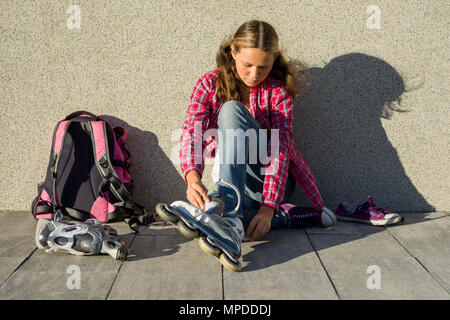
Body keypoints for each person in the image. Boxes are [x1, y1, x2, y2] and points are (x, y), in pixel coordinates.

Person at [180, 20, 336, 243]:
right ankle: (235, 217)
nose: (254, 74)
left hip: (267, 183)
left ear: (273, 61)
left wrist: (268, 208)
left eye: (263, 67)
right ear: (233, 52)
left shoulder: (277, 93)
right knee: (213, 207)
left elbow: (279, 153)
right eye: (248, 65)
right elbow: (192, 132)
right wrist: (193, 179)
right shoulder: (208, 85)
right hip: (232, 182)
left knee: (231, 110)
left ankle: (230, 217)